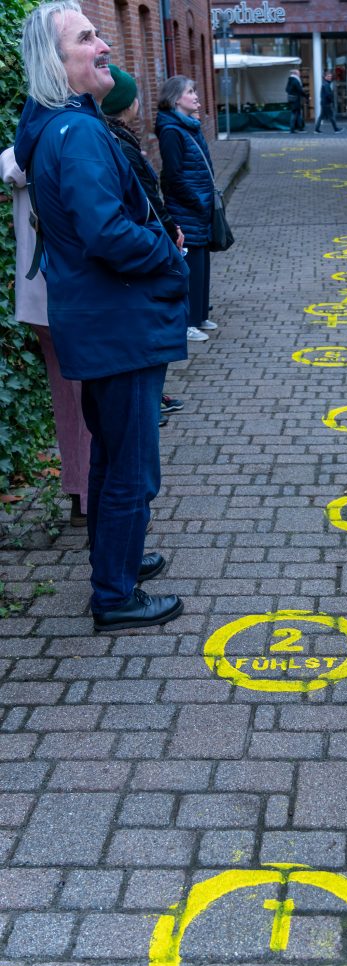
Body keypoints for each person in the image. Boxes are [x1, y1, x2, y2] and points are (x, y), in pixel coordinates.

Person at [17, 0, 187, 631]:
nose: (103, 46)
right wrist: (167, 256)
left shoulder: (58, 125)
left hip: (99, 318)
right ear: (57, 65)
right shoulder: (80, 133)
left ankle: (118, 559)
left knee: (115, 452)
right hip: (117, 323)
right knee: (129, 462)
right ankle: (114, 595)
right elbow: (107, 233)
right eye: (87, 38)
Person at [1, 145, 91, 527]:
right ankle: (91, 497)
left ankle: (76, 491)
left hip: (40, 298)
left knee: (66, 396)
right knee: (92, 399)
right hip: (73, 295)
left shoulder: (18, 154)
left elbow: (10, 172)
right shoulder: (68, 147)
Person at [101, 64, 185, 423]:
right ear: (127, 103)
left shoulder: (121, 138)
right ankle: (147, 401)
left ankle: (151, 397)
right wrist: (169, 232)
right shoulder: (121, 144)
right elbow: (147, 199)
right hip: (148, 247)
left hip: (148, 242)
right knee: (153, 323)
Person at [156, 75, 215, 344]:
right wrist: (197, 200)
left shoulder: (190, 126)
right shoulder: (171, 131)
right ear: (176, 98)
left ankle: (200, 314)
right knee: (189, 264)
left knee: (201, 262)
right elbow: (173, 176)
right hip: (187, 208)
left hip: (199, 206)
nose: (195, 96)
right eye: (190, 91)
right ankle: (187, 323)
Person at [286, 68, 307, 133]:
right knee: (294, 113)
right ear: (296, 74)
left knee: (298, 113)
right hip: (296, 99)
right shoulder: (296, 80)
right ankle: (292, 129)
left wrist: (291, 93)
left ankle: (300, 127)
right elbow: (300, 90)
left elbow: (286, 89)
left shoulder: (290, 80)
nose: (300, 74)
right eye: (299, 73)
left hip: (291, 99)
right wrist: (306, 96)